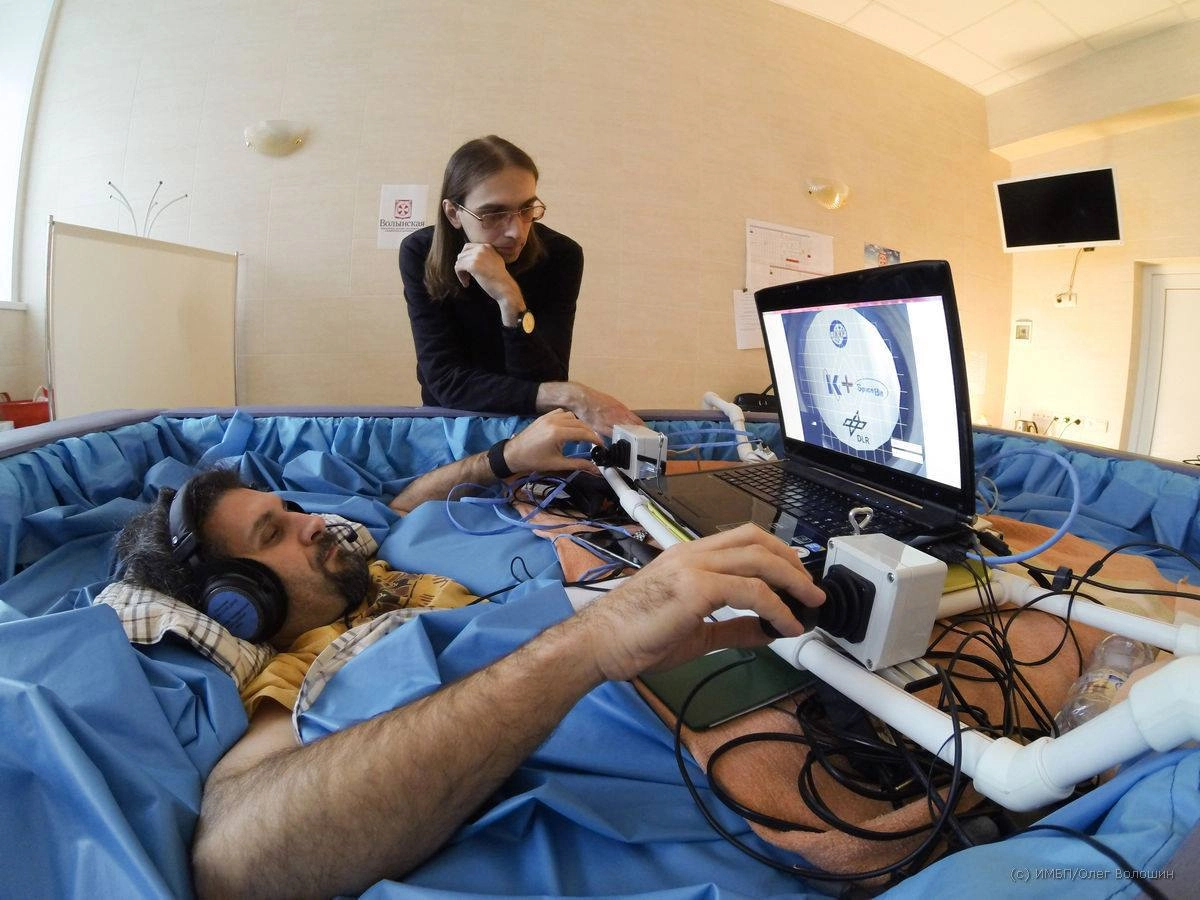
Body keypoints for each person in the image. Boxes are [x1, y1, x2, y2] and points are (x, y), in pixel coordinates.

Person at [113, 421, 825, 900]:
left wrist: (504, 458)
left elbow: (401, 505)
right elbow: (231, 861)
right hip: (653, 685)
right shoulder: (298, 670)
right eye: (275, 532)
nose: (313, 522)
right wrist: (594, 637)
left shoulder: (359, 557)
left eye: (292, 507)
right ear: (243, 600)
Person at [400, 135, 641, 435]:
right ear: (454, 213)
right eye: (493, 214)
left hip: (530, 426)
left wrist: (509, 298)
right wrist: (570, 395)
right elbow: (448, 382)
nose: (517, 232)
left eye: (527, 209)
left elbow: (547, 378)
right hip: (450, 424)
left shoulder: (561, 255)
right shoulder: (420, 252)